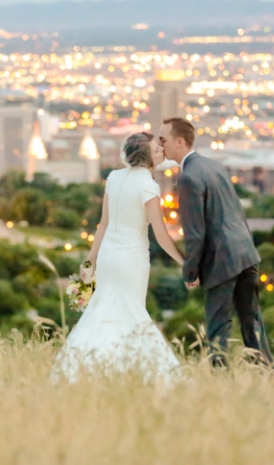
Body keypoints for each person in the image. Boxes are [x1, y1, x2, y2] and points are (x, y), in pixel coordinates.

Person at [50, 132, 185, 382]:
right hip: (131, 261)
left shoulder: (114, 177)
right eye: (157, 150)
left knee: (103, 311)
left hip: (109, 258)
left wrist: (89, 263)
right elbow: (162, 235)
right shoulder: (148, 185)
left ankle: (88, 369)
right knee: (132, 313)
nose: (161, 153)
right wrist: (186, 264)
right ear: (146, 157)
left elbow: (102, 225)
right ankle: (134, 373)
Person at [158, 117, 274, 366]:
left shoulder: (188, 178)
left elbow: (195, 232)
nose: (161, 145)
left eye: (163, 139)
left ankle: (220, 381)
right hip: (245, 252)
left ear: (180, 142)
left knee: (218, 327)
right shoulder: (215, 166)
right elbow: (236, 212)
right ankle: (268, 373)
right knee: (251, 320)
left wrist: (191, 271)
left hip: (221, 259)